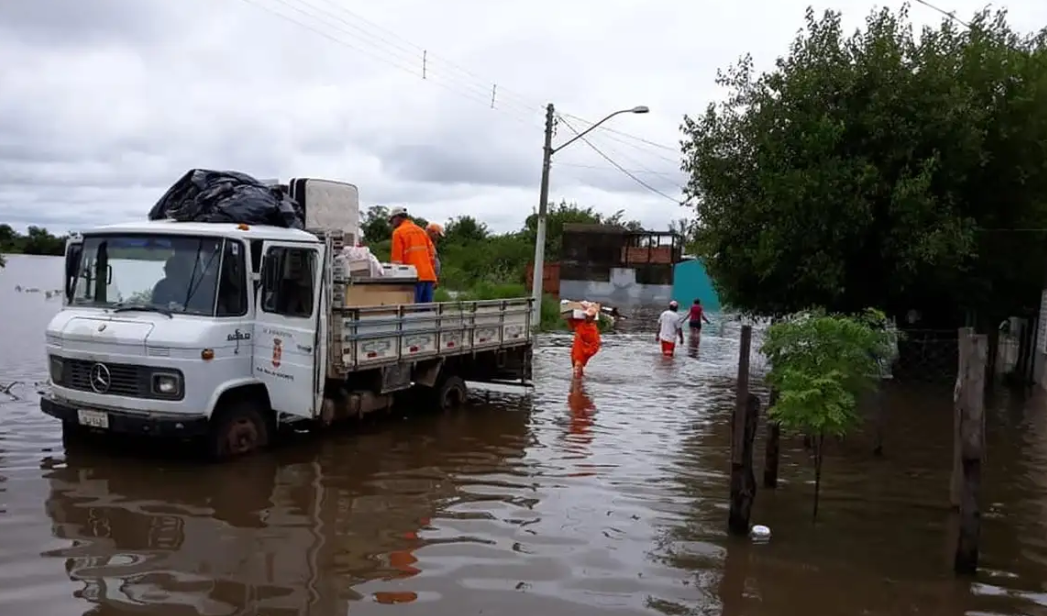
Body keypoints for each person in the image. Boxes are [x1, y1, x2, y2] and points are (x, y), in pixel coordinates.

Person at [389, 206, 438, 303]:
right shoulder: (422, 231)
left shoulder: (398, 232)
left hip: (412, 278)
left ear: (397, 218)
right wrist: (434, 277)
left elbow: (397, 261)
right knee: (427, 313)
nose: (392, 224)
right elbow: (432, 256)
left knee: (411, 312)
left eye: (392, 221)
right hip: (428, 276)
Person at [567, 303, 602, 378]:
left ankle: (578, 387)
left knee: (576, 372)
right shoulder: (581, 324)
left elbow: (596, 344)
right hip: (575, 352)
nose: (586, 317)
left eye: (588, 316)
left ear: (592, 317)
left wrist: (586, 352)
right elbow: (570, 321)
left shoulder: (593, 330)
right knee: (578, 371)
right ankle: (580, 386)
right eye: (586, 316)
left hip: (581, 354)